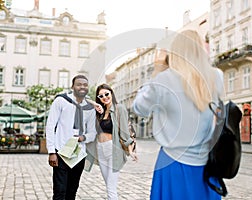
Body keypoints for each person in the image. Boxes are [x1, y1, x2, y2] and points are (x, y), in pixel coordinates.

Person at [132, 30, 224, 199]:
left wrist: (157, 71)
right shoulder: (217, 76)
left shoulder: (164, 79)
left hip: (173, 163)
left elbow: (139, 108)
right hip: (206, 164)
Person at [46, 75, 97, 200]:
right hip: (61, 152)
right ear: (72, 86)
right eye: (79, 84)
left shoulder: (90, 108)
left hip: (78, 155)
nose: (82, 87)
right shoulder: (61, 101)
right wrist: (52, 151)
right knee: (59, 192)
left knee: (72, 191)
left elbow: (92, 133)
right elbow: (50, 126)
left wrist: (83, 138)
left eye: (85, 85)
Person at [87, 83, 137, 200]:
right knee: (109, 185)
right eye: (101, 96)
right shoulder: (100, 111)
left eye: (106, 94)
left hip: (113, 150)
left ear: (112, 93)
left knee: (111, 188)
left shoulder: (119, 108)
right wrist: (95, 104)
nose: (104, 97)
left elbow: (125, 132)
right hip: (100, 150)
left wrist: (131, 150)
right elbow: (82, 100)